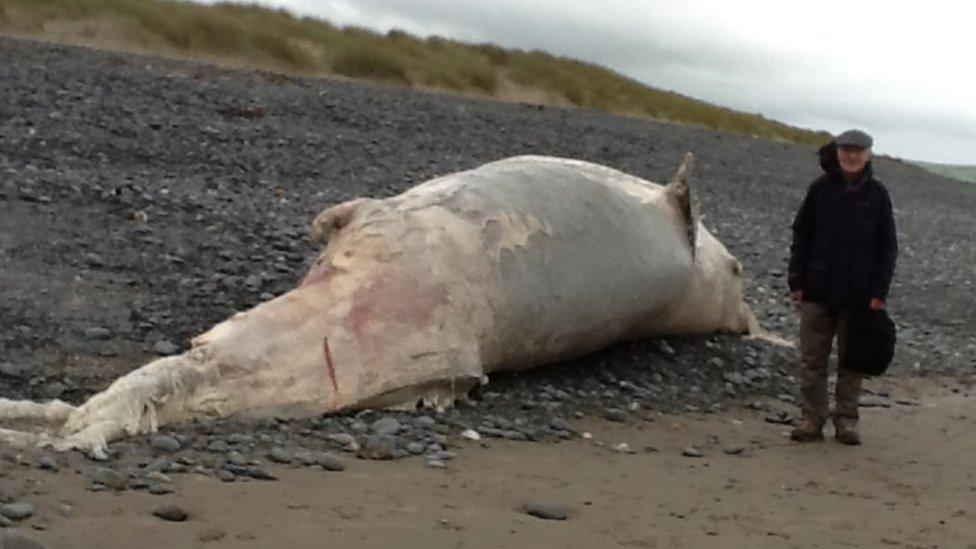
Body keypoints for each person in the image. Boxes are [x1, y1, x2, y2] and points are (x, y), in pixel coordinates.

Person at [787, 129, 898, 445]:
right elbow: (801, 237)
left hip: (860, 296)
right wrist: (796, 281)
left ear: (868, 155)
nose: (851, 156)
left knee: (853, 362)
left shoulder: (878, 195)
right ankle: (812, 419)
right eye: (846, 150)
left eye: (857, 151)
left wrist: (879, 292)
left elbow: (887, 246)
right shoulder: (820, 190)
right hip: (816, 291)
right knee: (812, 360)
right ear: (836, 152)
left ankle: (846, 422)